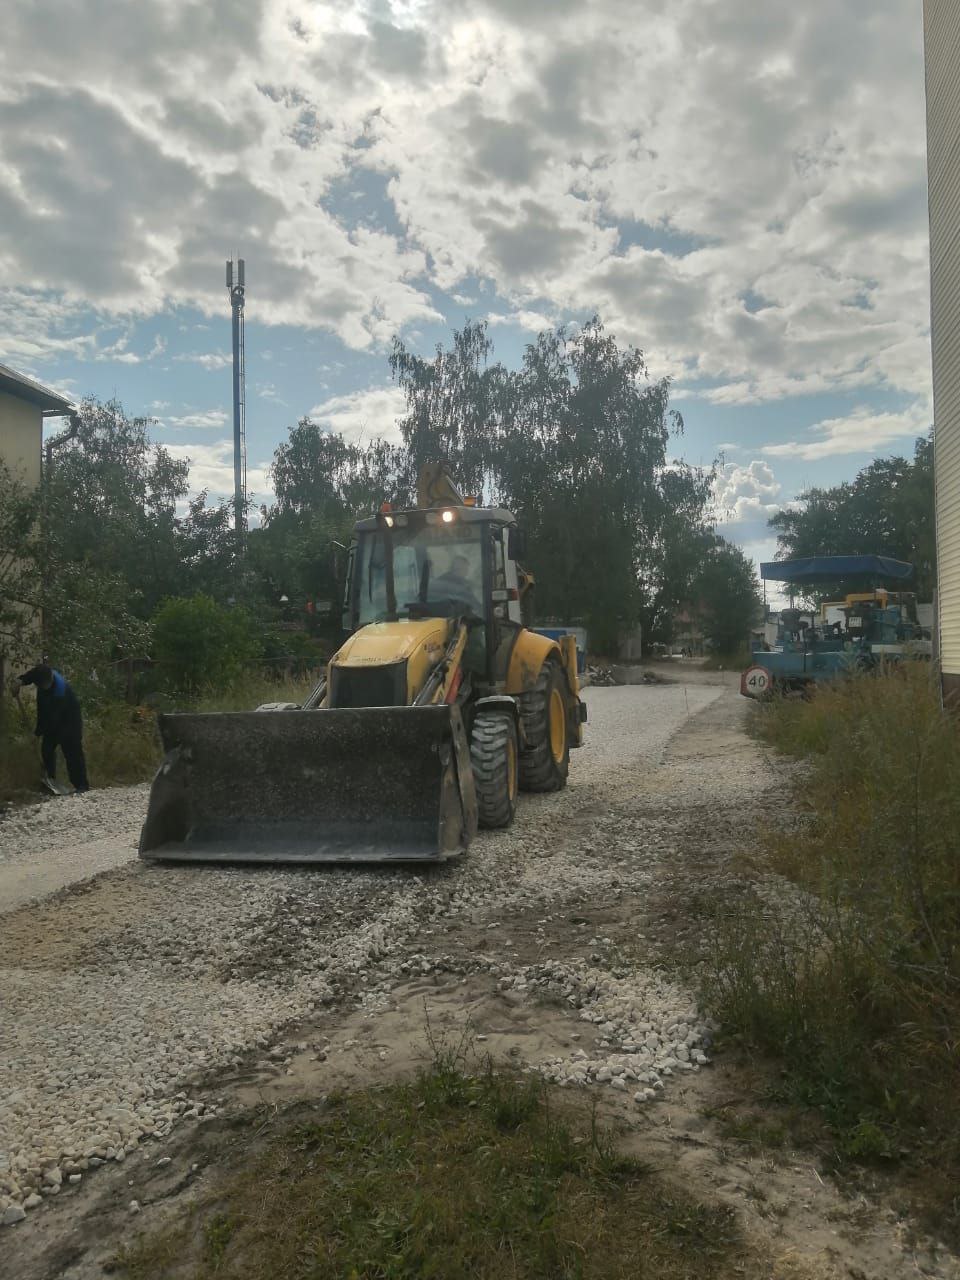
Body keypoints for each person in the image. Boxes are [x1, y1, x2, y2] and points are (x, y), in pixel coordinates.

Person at [18, 663, 90, 793]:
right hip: (52, 717)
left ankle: (82, 785)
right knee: (46, 749)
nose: (43, 687)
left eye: (45, 685)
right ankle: (50, 781)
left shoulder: (60, 691)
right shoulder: (42, 674)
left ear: (50, 679)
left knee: (72, 751)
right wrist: (20, 681)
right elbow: (31, 675)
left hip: (70, 720)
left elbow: (51, 719)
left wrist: (37, 733)